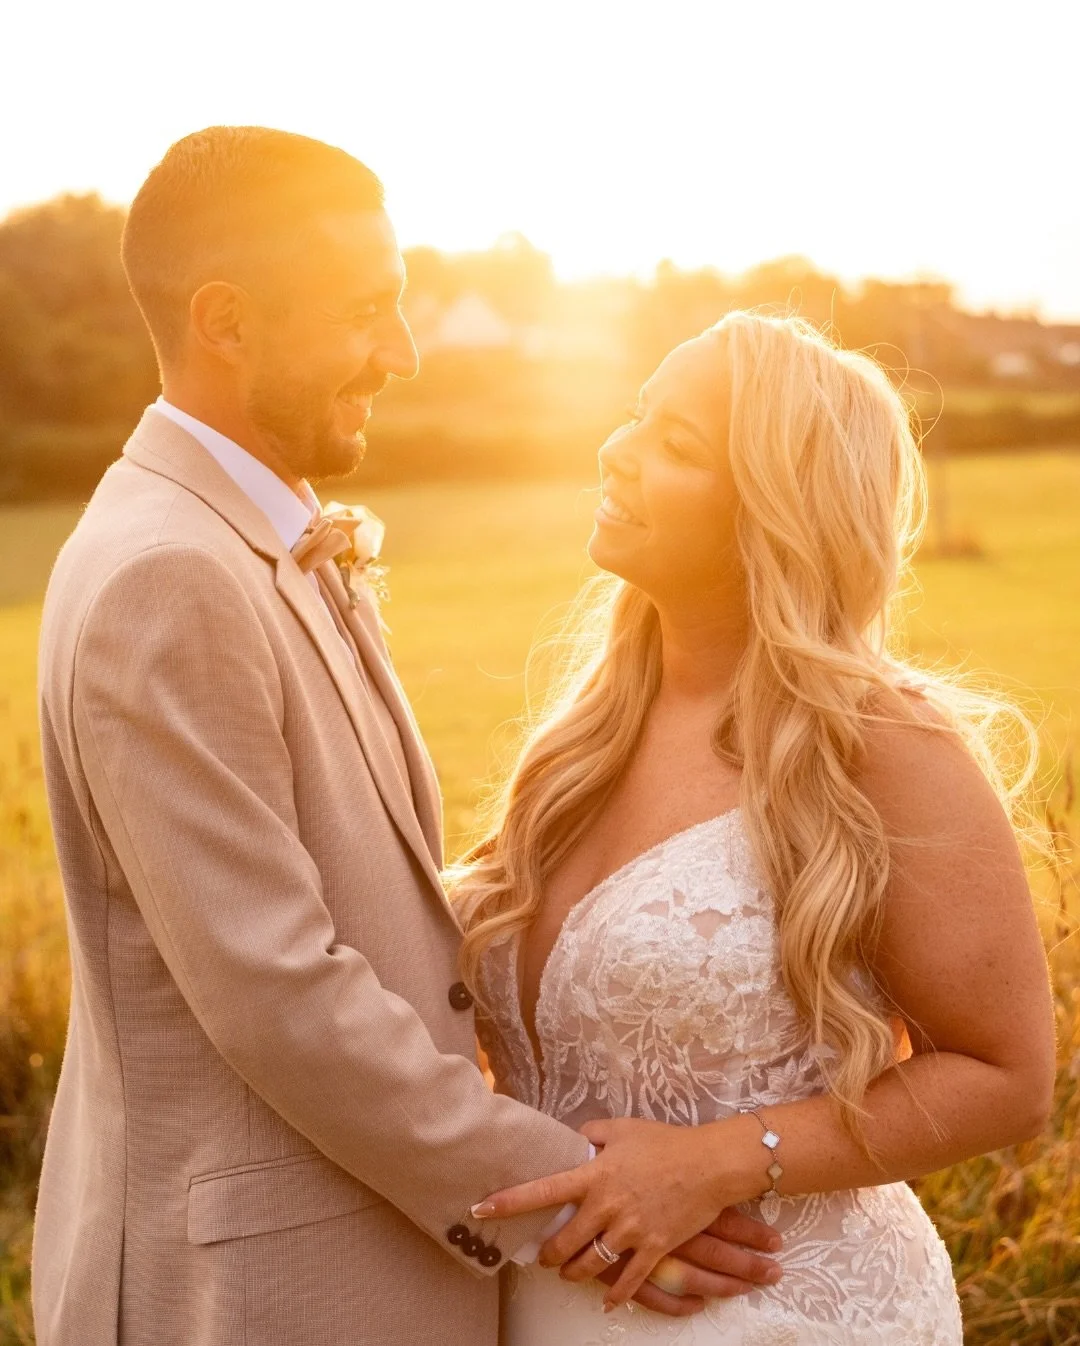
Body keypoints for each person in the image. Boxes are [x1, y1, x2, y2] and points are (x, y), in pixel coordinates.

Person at [32, 127, 781, 1346]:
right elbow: (279, 992)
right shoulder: (172, 575)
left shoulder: (247, 535)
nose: (406, 351)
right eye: (367, 311)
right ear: (226, 321)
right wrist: (570, 1193)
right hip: (256, 1290)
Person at [452, 312, 1057, 1344]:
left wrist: (720, 1159)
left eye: (676, 444)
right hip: (553, 1308)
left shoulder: (880, 742)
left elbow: (1011, 1076)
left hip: (783, 1313)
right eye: (637, 415)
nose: (617, 449)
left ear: (770, 513)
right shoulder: (582, 738)